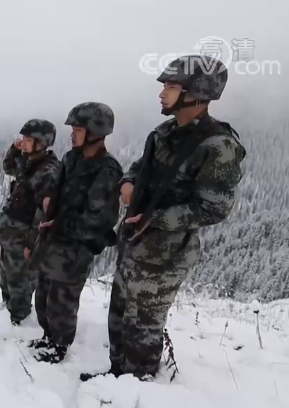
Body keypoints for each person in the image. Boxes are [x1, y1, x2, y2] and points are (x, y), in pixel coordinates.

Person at [82, 55, 246, 382]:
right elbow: (141, 166)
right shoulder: (166, 131)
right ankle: (117, 377)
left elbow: (213, 208)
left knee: (143, 327)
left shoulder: (219, 146)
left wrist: (156, 219)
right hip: (134, 244)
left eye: (170, 87)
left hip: (165, 255)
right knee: (119, 318)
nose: (161, 93)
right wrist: (128, 182)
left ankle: (137, 386)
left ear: (195, 93)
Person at [29, 102, 122, 363]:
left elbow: (99, 220)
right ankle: (48, 336)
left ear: (95, 132)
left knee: (62, 301)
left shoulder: (107, 170)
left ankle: (59, 345)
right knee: (44, 295)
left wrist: (58, 225)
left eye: (77, 129)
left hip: (75, 249)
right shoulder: (71, 159)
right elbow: (56, 194)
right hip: (54, 242)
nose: (71, 134)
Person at [0, 119, 61, 326]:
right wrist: (14, 149)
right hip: (10, 235)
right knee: (6, 277)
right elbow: (8, 167)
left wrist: (31, 244)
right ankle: (7, 309)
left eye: (28, 139)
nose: (23, 142)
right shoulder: (29, 162)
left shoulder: (48, 172)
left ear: (41, 143)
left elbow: (43, 214)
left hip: (23, 239)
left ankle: (18, 322)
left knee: (20, 283)